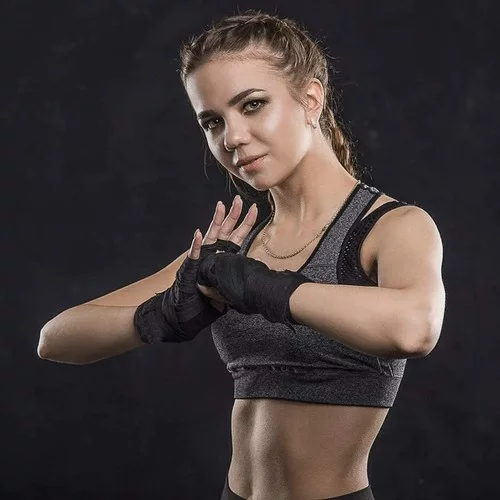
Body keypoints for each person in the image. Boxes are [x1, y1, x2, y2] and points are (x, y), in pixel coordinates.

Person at [38, 9, 446, 500]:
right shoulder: (236, 248)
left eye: (252, 105)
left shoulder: (390, 227)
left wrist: (264, 288)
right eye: (212, 122)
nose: (231, 138)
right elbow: (56, 339)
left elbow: (414, 328)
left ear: (311, 99)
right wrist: (162, 315)